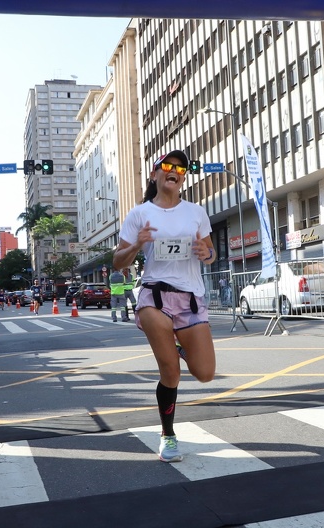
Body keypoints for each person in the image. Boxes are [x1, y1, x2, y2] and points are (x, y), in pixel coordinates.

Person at [112, 149, 216, 463]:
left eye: (181, 168)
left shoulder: (196, 212)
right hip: (154, 297)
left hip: (190, 299)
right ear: (155, 174)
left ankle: (178, 347)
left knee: (205, 374)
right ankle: (168, 435)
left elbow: (210, 253)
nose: (175, 170)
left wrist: (204, 252)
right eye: (168, 166)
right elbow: (118, 262)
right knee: (170, 373)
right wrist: (136, 244)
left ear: (183, 176)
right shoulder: (140, 213)